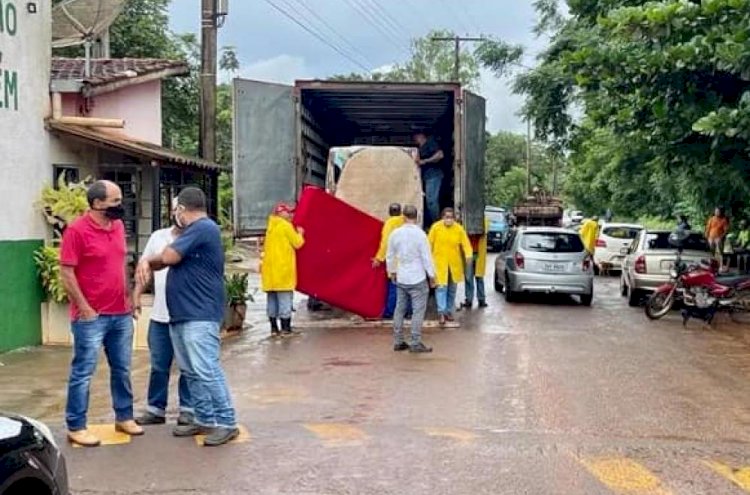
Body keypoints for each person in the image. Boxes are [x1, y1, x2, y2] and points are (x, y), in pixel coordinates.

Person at [137, 187, 238, 447]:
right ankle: (202, 417)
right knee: (191, 371)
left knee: (206, 369)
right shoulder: (195, 232)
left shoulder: (203, 228)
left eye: (175, 210)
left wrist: (149, 260)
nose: (174, 215)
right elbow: (164, 261)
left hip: (199, 314)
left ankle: (226, 422)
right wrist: (150, 262)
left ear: (182, 209)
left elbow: (169, 256)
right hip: (182, 314)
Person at [60, 180, 143, 447]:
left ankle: (124, 416)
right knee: (83, 371)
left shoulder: (118, 226)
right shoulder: (76, 231)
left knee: (122, 368)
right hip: (91, 317)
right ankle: (76, 425)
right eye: (116, 201)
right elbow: (66, 272)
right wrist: (84, 307)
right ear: (97, 204)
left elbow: (120, 263)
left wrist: (129, 295)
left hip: (120, 313)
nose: (122, 205)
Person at [133, 200, 193, 427]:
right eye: (177, 209)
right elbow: (144, 268)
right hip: (160, 316)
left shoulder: (196, 237)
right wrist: (136, 294)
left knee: (188, 366)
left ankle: (187, 410)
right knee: (159, 365)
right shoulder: (158, 237)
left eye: (184, 210)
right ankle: (155, 409)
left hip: (187, 316)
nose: (180, 214)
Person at [386, 204, 437, 353]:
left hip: (402, 277)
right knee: (418, 311)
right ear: (417, 217)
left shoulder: (395, 234)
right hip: (418, 278)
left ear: (403, 216)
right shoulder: (421, 235)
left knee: (399, 309)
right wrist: (432, 276)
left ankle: (398, 341)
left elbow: (390, 255)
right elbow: (426, 257)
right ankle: (415, 342)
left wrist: (392, 272)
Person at [261, 202, 305, 336]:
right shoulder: (285, 226)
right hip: (283, 271)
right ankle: (286, 329)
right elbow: (298, 243)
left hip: (270, 273)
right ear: (281, 213)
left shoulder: (270, 227)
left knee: (272, 301)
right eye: (288, 212)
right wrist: (301, 233)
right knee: (285, 299)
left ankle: (274, 329)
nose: (291, 215)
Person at [428, 208, 473, 326]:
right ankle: (441, 313)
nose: (449, 219)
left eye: (451, 217)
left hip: (454, 264)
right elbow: (428, 245)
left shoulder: (458, 229)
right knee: (441, 288)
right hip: (439, 264)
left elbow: (466, 244)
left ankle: (448, 311)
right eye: (446, 217)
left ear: (454, 218)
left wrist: (468, 256)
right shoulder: (435, 228)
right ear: (442, 217)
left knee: (452, 289)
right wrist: (428, 262)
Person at [373, 203, 406, 319]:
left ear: (389, 212)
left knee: (393, 286)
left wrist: (379, 258)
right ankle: (408, 311)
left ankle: (390, 312)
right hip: (407, 259)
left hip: (394, 261)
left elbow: (385, 243)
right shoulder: (405, 222)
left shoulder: (389, 224)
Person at [414, 131, 444, 228]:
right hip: (427, 177)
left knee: (431, 201)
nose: (414, 139)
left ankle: (437, 224)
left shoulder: (430, 143)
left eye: (416, 137)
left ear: (421, 136)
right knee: (428, 201)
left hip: (433, 176)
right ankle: (432, 223)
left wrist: (425, 161)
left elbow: (440, 154)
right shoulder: (421, 147)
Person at [463, 216, 489, 309]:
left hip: (478, 253)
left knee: (479, 277)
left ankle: (481, 299)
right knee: (469, 277)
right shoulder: (465, 220)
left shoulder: (484, 220)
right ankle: (469, 300)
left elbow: (484, 231)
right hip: (469, 253)